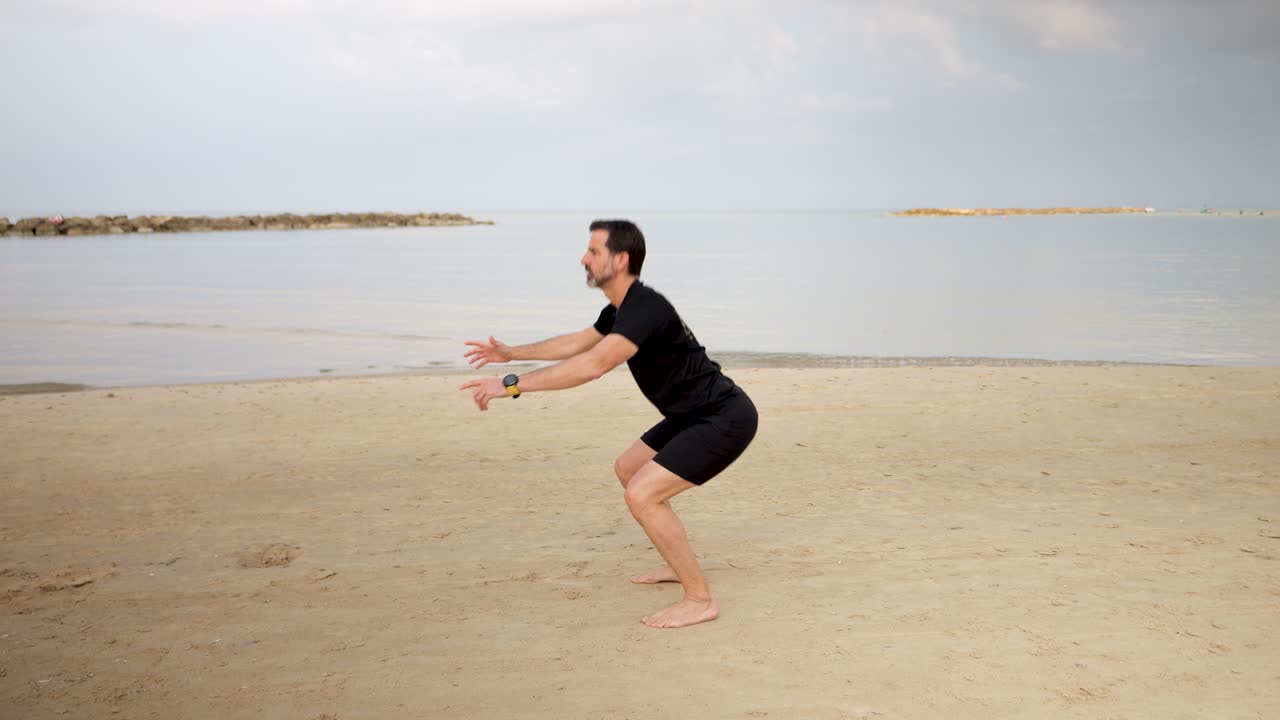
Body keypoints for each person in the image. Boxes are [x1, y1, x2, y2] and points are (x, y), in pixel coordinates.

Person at [459, 219, 758, 629]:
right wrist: (512, 352)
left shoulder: (645, 308)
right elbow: (578, 342)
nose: (584, 258)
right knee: (629, 468)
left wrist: (511, 385)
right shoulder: (621, 308)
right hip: (691, 415)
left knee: (642, 496)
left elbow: (593, 365)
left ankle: (699, 599)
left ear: (620, 260)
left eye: (593, 251)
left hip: (724, 418)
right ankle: (678, 561)